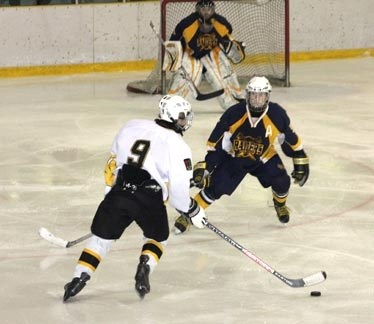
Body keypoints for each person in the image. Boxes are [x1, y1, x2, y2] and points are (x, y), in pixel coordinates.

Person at [63, 95, 207, 302]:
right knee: (157, 238)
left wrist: (109, 191)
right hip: (148, 198)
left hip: (119, 191)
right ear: (174, 117)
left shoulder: (132, 125)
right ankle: (144, 267)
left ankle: (78, 279)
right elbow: (178, 197)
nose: (185, 122)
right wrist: (193, 211)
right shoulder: (179, 145)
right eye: (182, 118)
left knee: (101, 240)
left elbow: (113, 162)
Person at [174, 76, 309, 234]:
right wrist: (207, 166)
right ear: (248, 95)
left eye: (261, 95)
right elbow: (217, 143)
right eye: (253, 95)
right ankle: (188, 215)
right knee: (214, 188)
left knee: (282, 180)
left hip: (263, 157)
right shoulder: (234, 113)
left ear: (267, 96)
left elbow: (289, 138)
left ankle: (280, 205)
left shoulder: (277, 114)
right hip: (235, 157)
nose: (257, 99)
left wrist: (300, 159)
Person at [163, 0, 246, 110]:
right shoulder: (187, 24)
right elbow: (174, 40)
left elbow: (228, 39)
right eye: (203, 9)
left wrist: (235, 49)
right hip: (191, 54)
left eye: (209, 9)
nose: (206, 12)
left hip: (211, 53)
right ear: (197, 10)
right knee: (185, 76)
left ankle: (235, 103)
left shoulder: (221, 22)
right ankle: (172, 104)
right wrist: (173, 63)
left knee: (224, 70)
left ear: (213, 10)